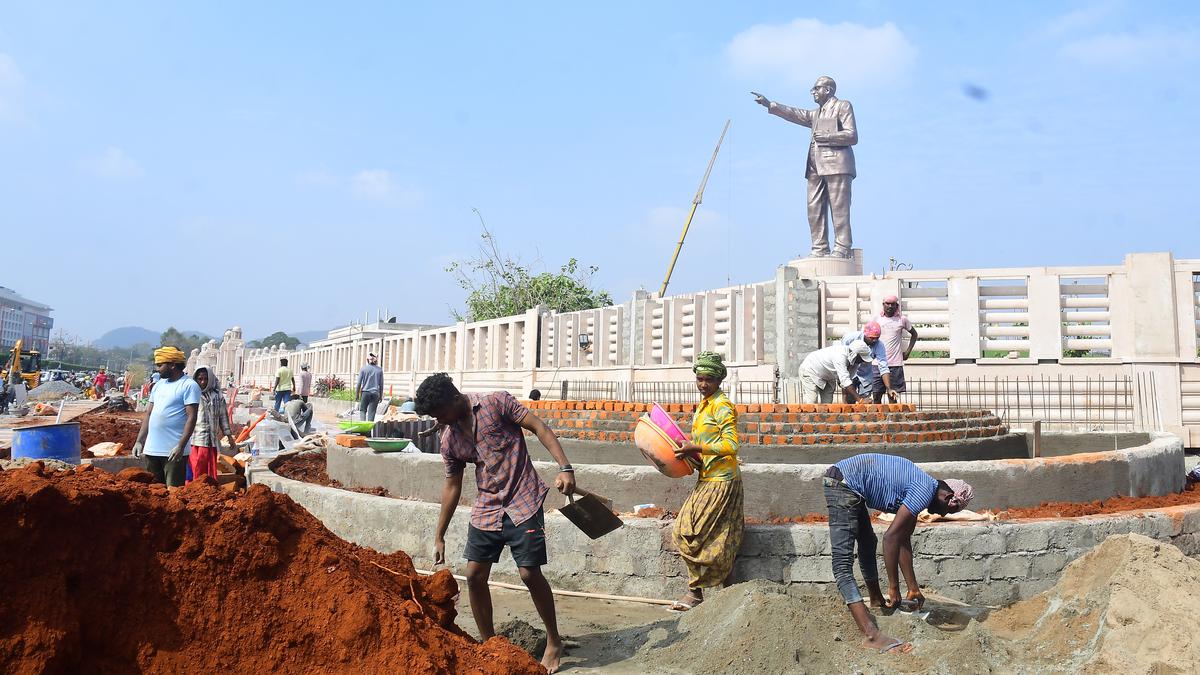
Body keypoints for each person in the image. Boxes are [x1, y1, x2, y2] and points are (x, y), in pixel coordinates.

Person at [416, 373, 576, 674]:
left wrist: (565, 468)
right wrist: (440, 534)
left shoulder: (496, 403)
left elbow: (539, 427)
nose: (440, 420)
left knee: (529, 573)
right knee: (474, 575)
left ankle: (554, 641)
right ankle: (490, 646)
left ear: (454, 397)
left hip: (523, 499)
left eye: (441, 413)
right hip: (488, 506)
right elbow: (452, 485)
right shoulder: (449, 438)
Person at [823, 453, 974, 654]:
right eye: (947, 510)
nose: (942, 515)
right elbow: (891, 539)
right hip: (842, 483)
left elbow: (903, 539)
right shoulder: (923, 490)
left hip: (852, 485)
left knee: (868, 541)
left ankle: (876, 600)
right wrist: (894, 588)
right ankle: (871, 635)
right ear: (947, 497)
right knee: (842, 565)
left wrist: (913, 588)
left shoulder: (922, 489)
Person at [670, 351, 743, 612]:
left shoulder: (722, 405)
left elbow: (731, 445)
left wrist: (697, 448)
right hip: (707, 477)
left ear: (718, 379)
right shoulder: (704, 405)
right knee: (719, 535)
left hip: (722, 480)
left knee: (688, 531)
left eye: (708, 379)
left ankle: (697, 594)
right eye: (700, 379)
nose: (703, 384)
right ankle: (722, 595)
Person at [753, 76, 858, 258]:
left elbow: (852, 136)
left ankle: (842, 247)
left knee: (839, 209)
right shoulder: (815, 114)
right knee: (813, 208)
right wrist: (770, 105)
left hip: (837, 165)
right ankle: (819, 248)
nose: (813, 92)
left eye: (816, 88)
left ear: (828, 90)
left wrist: (826, 137)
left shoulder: (843, 106)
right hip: (814, 168)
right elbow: (795, 114)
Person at [132, 347, 201, 487]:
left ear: (172, 365)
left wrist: (180, 446)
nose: (158, 369)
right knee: (154, 490)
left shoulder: (188, 385)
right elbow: (149, 414)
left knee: (173, 491)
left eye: (160, 365)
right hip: (152, 449)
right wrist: (139, 441)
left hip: (173, 451)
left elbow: (191, 417)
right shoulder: (158, 386)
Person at [189, 366, 237, 483]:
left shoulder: (217, 396)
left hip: (211, 440)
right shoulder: (192, 394)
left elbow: (223, 417)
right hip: (195, 440)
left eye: (205, 379)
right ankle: (193, 489)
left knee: (209, 470)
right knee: (196, 467)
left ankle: (208, 490)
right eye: (200, 379)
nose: (203, 382)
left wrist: (229, 436)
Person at [799, 341, 882, 404]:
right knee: (811, 402)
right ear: (855, 354)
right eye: (862, 358)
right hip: (811, 370)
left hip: (828, 376)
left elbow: (846, 382)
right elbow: (845, 381)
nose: (862, 361)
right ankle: (807, 424)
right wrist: (860, 399)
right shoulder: (840, 356)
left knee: (827, 405)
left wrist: (848, 401)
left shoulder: (854, 362)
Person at [841, 321, 897, 403]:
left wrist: (889, 388)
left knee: (865, 402)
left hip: (865, 375)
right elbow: (842, 359)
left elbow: (883, 367)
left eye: (877, 338)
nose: (874, 340)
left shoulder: (879, 345)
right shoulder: (850, 339)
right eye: (871, 338)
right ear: (865, 335)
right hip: (850, 374)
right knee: (849, 403)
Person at [877, 295, 918, 400]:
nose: (890, 306)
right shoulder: (877, 319)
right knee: (876, 395)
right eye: (887, 304)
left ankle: (892, 416)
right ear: (883, 305)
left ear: (897, 306)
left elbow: (914, 334)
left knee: (893, 396)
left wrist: (908, 351)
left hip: (895, 364)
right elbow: (868, 336)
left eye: (893, 304)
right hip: (877, 363)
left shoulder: (902, 319)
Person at [356, 353, 384, 422]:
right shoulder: (379, 370)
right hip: (375, 394)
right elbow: (381, 384)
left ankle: (363, 429)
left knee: (363, 410)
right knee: (372, 412)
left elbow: (359, 383)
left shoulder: (363, 369)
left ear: (367, 360)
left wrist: (357, 395)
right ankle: (368, 430)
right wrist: (380, 396)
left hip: (365, 393)